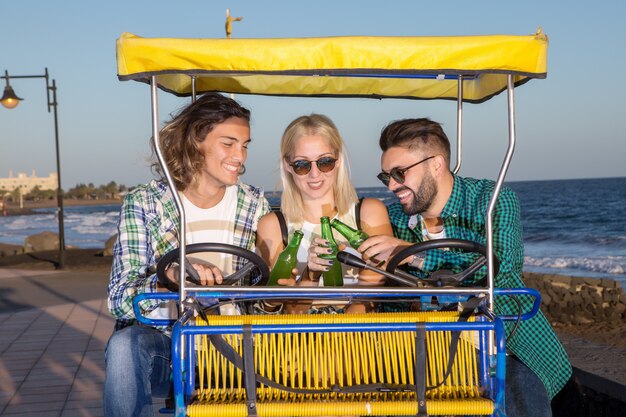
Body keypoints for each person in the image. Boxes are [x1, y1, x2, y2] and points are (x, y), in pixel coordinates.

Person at [359, 118, 572, 417]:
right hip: (431, 352)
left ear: (435, 164)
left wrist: (416, 256)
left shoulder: (492, 201)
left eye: (399, 173)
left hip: (504, 346)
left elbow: (501, 271)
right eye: (387, 176)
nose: (392, 185)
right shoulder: (393, 218)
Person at [104, 93, 270, 417]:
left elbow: (263, 290)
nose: (241, 156)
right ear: (196, 142)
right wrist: (170, 277)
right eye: (229, 143)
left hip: (234, 344)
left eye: (245, 145)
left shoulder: (253, 203)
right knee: (124, 346)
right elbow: (119, 299)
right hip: (169, 346)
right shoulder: (146, 202)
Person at [256, 114, 392, 314]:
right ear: (288, 165)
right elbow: (283, 312)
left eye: (325, 162)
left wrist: (344, 330)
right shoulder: (272, 225)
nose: (314, 173)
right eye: (302, 165)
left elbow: (373, 290)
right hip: (301, 338)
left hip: (360, 336)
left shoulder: (369, 212)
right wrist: (310, 276)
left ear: (338, 161)